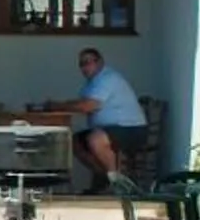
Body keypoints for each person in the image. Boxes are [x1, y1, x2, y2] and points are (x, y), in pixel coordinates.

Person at [52, 47, 148, 193]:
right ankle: (103, 176)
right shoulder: (91, 84)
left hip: (130, 128)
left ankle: (116, 181)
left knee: (95, 139)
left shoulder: (107, 78)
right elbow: (82, 104)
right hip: (109, 129)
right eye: (81, 64)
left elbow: (89, 106)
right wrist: (61, 106)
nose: (84, 67)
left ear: (100, 62)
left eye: (88, 62)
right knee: (73, 142)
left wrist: (59, 105)